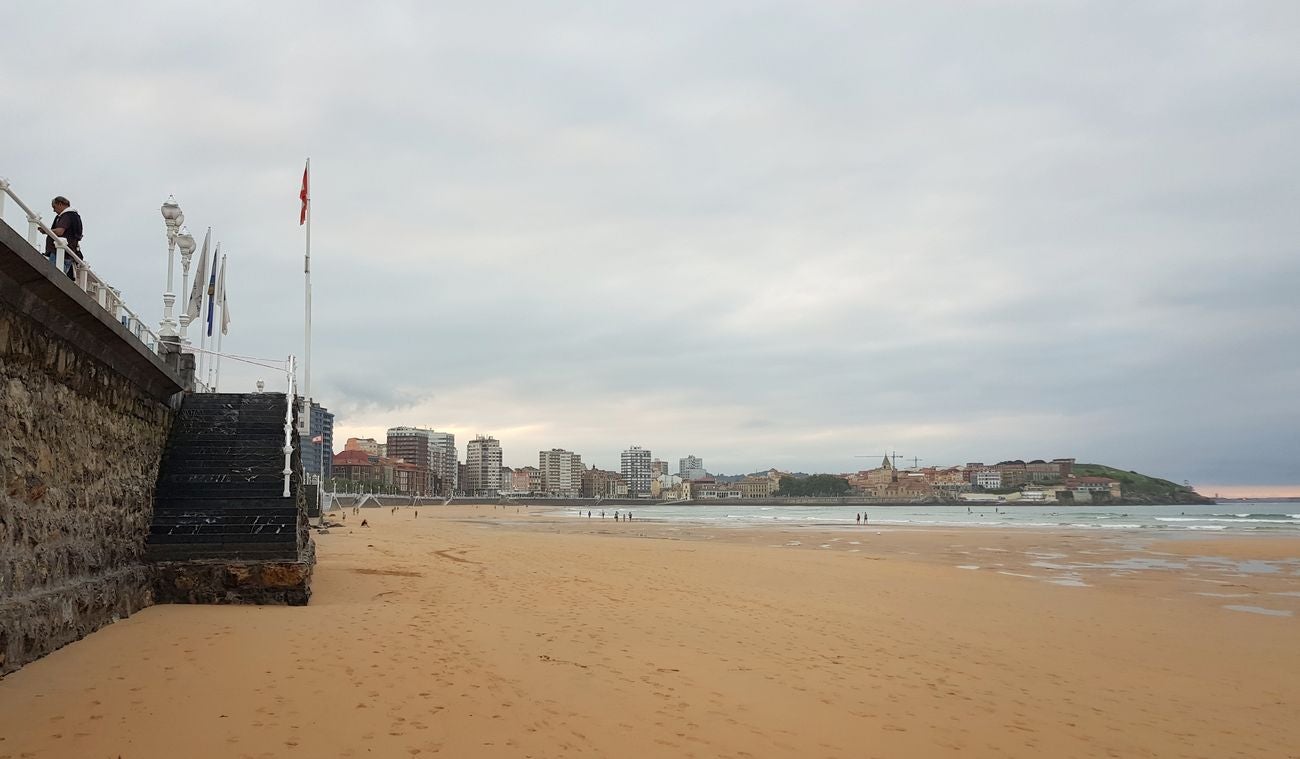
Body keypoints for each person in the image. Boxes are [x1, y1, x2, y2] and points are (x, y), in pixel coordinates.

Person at [43, 196, 82, 278]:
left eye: (54, 207)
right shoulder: (75, 216)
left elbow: (60, 231)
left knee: (53, 276)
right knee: (60, 276)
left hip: (59, 252)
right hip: (69, 253)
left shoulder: (66, 216)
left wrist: (45, 230)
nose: (54, 210)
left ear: (60, 204)